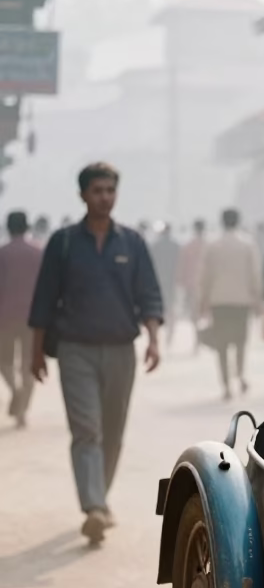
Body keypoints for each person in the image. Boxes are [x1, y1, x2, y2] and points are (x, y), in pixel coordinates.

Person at [28, 162, 163, 545]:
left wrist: (153, 339)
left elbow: (149, 295)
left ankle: (99, 498)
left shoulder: (132, 243)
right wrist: (36, 353)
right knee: (86, 429)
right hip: (75, 351)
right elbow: (43, 301)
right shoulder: (63, 242)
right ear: (83, 195)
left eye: (110, 190)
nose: (104, 197)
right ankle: (94, 506)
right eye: (97, 190)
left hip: (121, 349)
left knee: (113, 430)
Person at [198, 208, 262, 399]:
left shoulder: (213, 245)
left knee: (222, 345)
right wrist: (257, 299)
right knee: (240, 342)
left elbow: (205, 276)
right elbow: (255, 275)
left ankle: (226, 385)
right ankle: (240, 375)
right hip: (242, 301)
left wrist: (203, 301)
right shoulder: (247, 244)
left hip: (219, 301)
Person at [0, 211, 43, 427]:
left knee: (4, 362)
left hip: (5, 317)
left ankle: (15, 391)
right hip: (33, 318)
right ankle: (23, 408)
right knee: (28, 364)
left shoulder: (3, 253)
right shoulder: (39, 252)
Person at [149, 220, 179, 344]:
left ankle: (158, 336)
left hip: (158, 282)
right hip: (172, 282)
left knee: (158, 309)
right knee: (171, 309)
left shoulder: (155, 246)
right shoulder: (176, 246)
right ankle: (170, 335)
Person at [179, 218, 206, 353]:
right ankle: (204, 339)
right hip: (207, 286)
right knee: (208, 315)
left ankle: (197, 340)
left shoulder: (188, 246)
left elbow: (182, 266)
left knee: (194, 315)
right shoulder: (210, 245)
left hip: (192, 285)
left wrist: (182, 283)